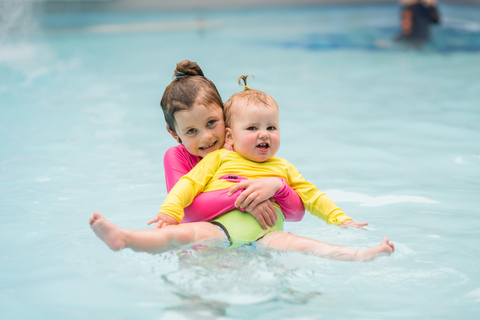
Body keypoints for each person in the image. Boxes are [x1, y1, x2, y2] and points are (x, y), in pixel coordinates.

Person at [89, 73, 394, 261]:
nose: (207, 137)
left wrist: (340, 218)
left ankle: (359, 256)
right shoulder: (217, 158)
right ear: (176, 134)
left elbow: (309, 198)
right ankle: (125, 238)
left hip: (265, 235)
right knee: (176, 235)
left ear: (226, 126)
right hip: (218, 230)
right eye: (192, 131)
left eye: (271, 127)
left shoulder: (281, 166)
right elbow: (188, 187)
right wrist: (170, 212)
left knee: (308, 246)